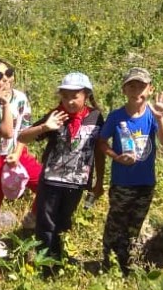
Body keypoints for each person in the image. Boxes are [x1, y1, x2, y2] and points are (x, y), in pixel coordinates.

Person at [19, 72, 105, 267]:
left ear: (86, 95)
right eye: (65, 96)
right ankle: (45, 265)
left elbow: (99, 151)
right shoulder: (55, 115)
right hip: (51, 180)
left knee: (63, 222)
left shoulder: (96, 118)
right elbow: (22, 137)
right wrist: (45, 127)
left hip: (77, 182)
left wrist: (99, 181)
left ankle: (57, 258)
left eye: (74, 96)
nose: (69, 101)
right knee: (45, 223)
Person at [96, 68, 163, 273]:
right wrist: (115, 156)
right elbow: (102, 142)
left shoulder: (152, 116)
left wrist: (160, 117)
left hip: (145, 183)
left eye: (141, 86)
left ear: (150, 89)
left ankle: (128, 263)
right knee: (116, 223)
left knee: (134, 225)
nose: (136, 90)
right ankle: (108, 261)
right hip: (122, 182)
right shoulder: (116, 117)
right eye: (131, 85)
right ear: (124, 89)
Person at [0, 58, 42, 259]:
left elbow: (24, 129)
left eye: (9, 73)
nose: (5, 79)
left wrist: (19, 152)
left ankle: (33, 217)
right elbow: (6, 132)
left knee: (45, 183)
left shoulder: (20, 98)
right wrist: (4, 104)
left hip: (18, 153)